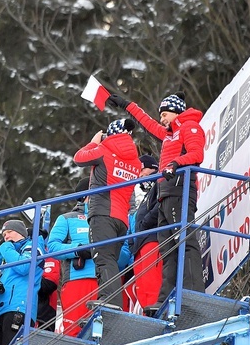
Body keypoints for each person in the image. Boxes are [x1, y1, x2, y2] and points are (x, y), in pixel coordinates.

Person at [108, 91, 207, 306]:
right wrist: (127, 105)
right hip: (165, 192)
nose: (161, 119)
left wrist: (175, 164)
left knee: (183, 239)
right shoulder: (170, 133)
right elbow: (148, 123)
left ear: (176, 111)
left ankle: (193, 291)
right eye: (161, 115)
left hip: (180, 188)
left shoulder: (190, 127)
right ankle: (165, 298)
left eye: (164, 114)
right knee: (167, 245)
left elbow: (197, 154)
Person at [73, 118, 140, 310]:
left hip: (102, 213)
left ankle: (109, 301)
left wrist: (94, 141)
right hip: (122, 218)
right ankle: (111, 301)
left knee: (102, 258)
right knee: (110, 259)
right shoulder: (135, 161)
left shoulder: (104, 151)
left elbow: (79, 157)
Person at [46, 179, 98, 336]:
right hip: (78, 280)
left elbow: (124, 249)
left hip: (107, 279)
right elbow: (53, 247)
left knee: (106, 333)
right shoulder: (67, 218)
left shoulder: (108, 219)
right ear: (84, 195)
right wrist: (78, 250)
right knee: (75, 332)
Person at [0, 219, 44, 345]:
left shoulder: (33, 246)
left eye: (9, 232)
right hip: (1, 312)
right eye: (3, 235)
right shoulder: (8, 255)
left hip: (19, 308)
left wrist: (6, 248)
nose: (6, 236)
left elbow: (24, 267)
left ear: (21, 233)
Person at [130, 155, 164, 311]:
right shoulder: (141, 193)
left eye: (142, 168)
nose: (140, 173)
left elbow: (161, 205)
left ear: (153, 168)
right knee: (141, 288)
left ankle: (154, 314)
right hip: (139, 244)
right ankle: (147, 314)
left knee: (152, 283)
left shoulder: (160, 181)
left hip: (152, 239)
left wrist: (145, 223)